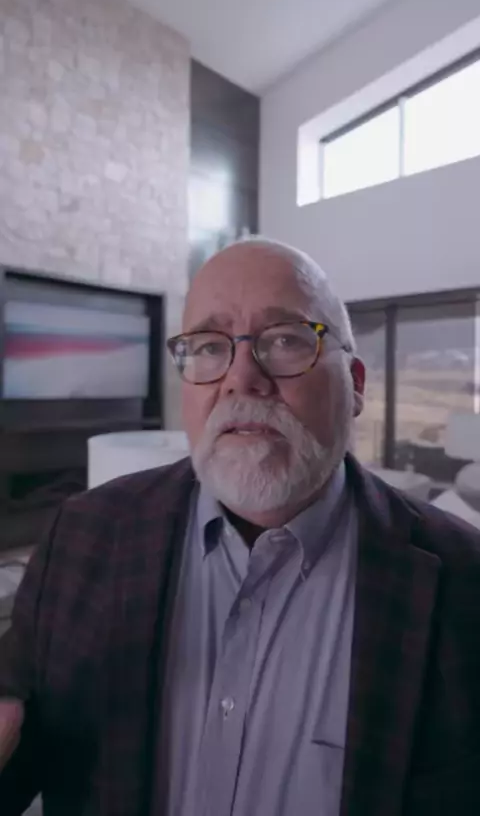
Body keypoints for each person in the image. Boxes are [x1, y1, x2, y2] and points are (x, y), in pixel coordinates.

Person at [0, 238, 480, 816]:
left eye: (286, 340)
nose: (241, 378)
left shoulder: (464, 581)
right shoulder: (83, 537)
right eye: (208, 346)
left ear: (354, 384)